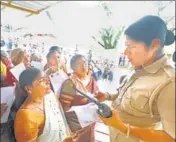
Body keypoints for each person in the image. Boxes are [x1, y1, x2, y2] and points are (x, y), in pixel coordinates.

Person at [95, 15, 175, 142]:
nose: (126, 52)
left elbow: (170, 137)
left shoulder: (169, 82)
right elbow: (127, 95)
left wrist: (121, 127)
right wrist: (108, 96)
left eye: (131, 46)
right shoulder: (139, 66)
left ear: (154, 45)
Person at [14, 68, 72, 142]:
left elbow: (62, 122)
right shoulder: (26, 115)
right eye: (41, 80)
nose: (48, 81)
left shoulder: (50, 95)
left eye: (46, 78)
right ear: (29, 89)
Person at [60, 54, 99, 142]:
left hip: (90, 122)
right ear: (73, 68)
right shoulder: (70, 83)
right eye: (79, 63)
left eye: (85, 62)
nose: (83, 65)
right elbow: (64, 108)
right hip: (76, 126)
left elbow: (97, 97)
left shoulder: (91, 79)